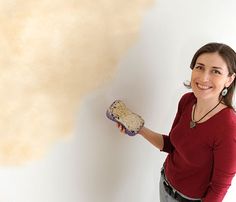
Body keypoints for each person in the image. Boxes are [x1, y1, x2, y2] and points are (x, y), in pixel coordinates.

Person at [116, 42, 236, 202]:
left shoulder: (229, 127)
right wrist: (138, 128)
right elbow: (172, 146)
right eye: (199, 67)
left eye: (215, 71)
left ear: (229, 79)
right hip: (165, 183)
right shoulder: (187, 101)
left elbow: (219, 188)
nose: (204, 77)